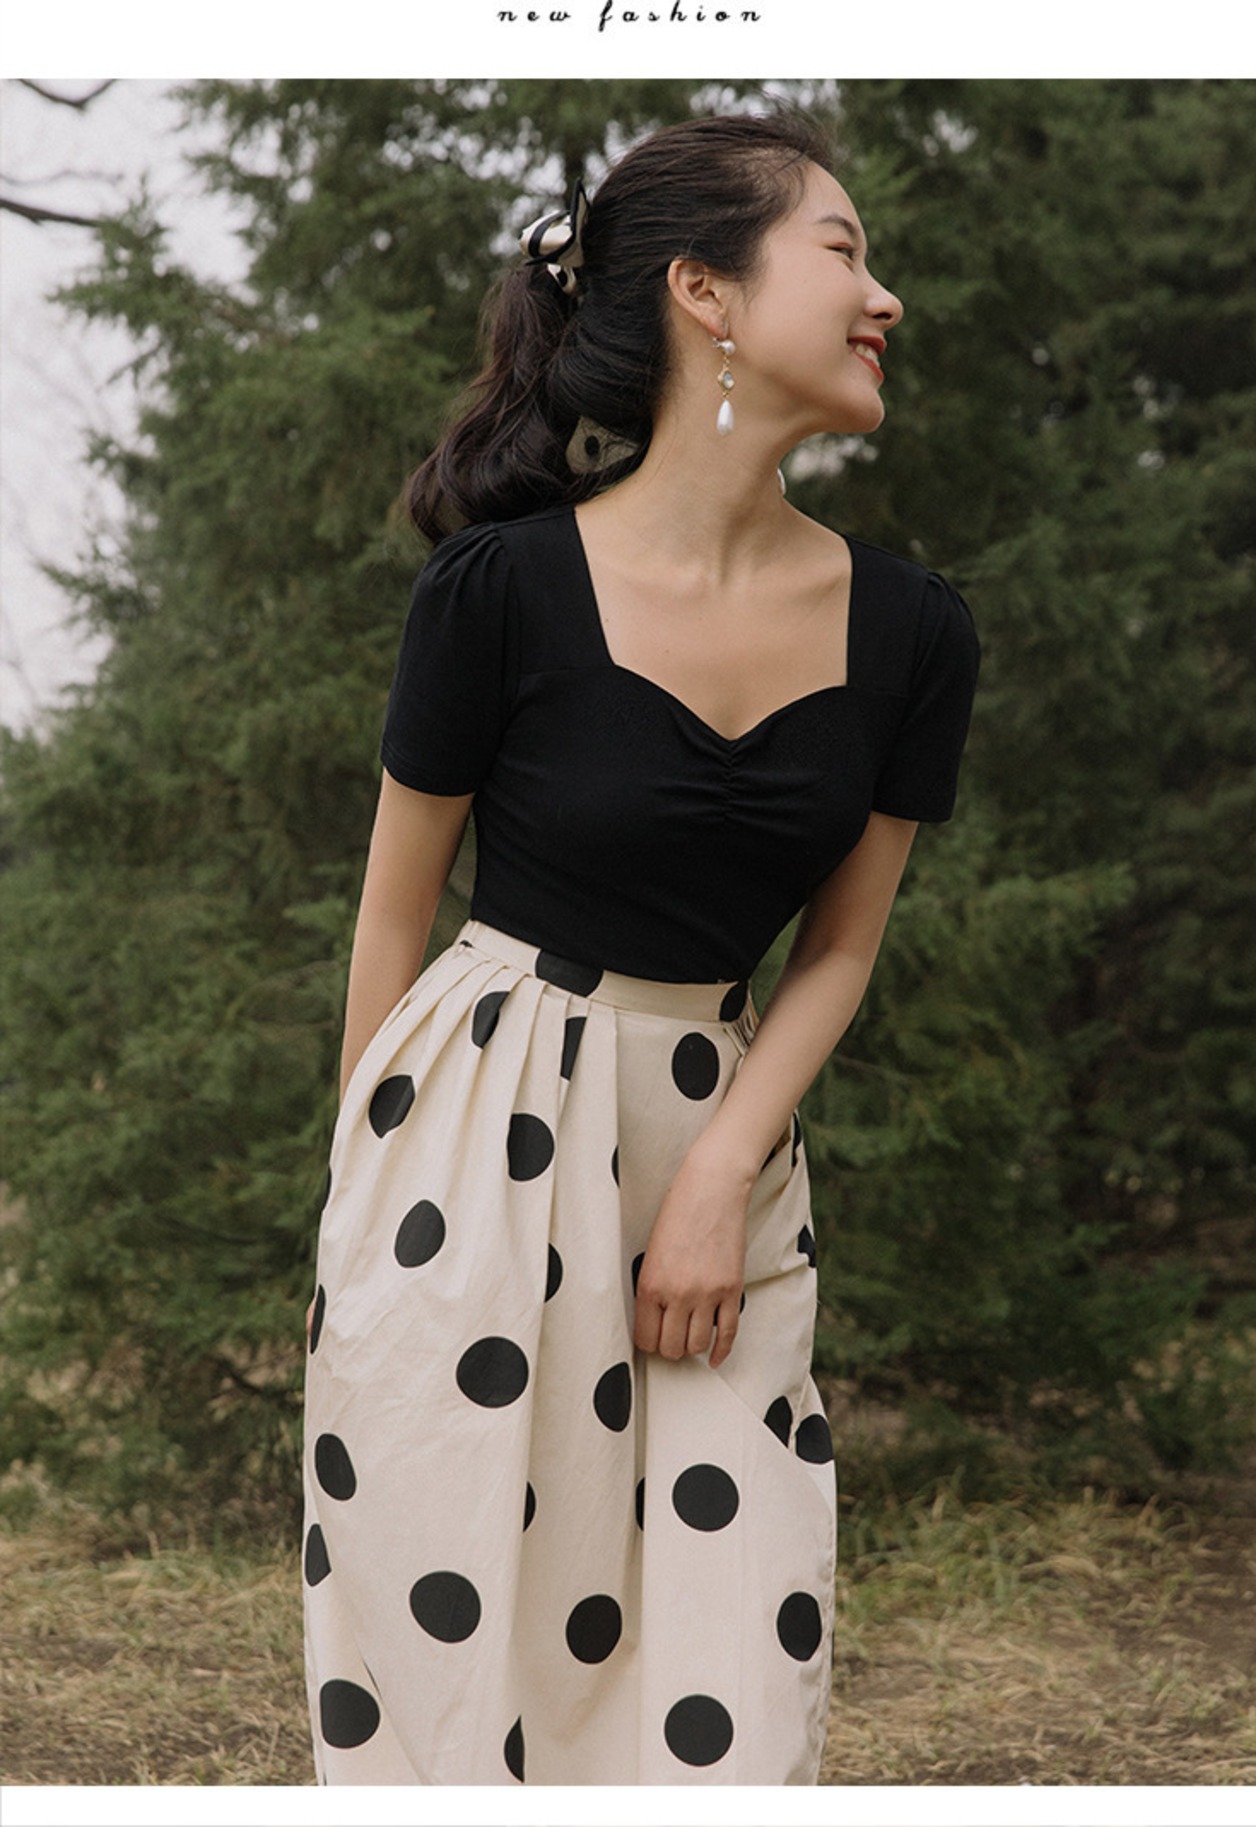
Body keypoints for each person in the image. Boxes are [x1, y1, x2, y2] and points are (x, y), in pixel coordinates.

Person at [302, 109, 979, 1786]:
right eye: (844, 251)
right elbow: (395, 913)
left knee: (730, 1668)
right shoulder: (498, 592)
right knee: (464, 1672)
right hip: (470, 1146)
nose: (885, 297)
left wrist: (722, 1169)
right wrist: (366, 1219)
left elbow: (840, 949)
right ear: (706, 292)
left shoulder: (913, 631)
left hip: (719, 1152)